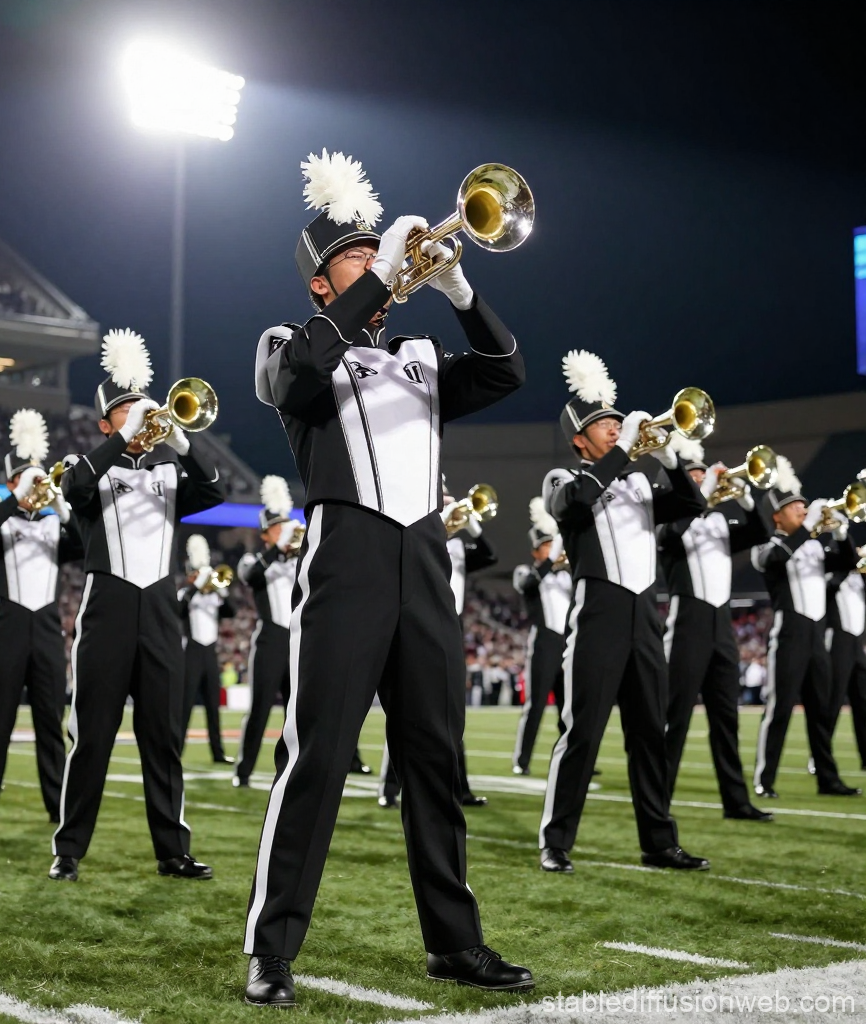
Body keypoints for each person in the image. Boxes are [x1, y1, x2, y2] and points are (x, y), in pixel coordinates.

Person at [243, 150, 531, 1007]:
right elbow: (291, 382)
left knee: (435, 761)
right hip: (347, 558)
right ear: (321, 284)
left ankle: (454, 943)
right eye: (356, 256)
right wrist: (384, 278)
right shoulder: (291, 345)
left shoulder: (418, 352)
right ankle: (272, 947)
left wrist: (456, 293)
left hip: (425, 561)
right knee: (319, 755)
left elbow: (508, 369)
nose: (376, 261)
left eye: (378, 250)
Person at [48, 328, 225, 883]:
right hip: (107, 610)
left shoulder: (170, 474)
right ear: (105, 421)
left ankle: (172, 850)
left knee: (163, 739)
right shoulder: (88, 465)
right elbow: (73, 490)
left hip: (160, 610)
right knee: (92, 736)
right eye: (123, 411)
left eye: (140, 409)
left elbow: (216, 489)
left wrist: (179, 438)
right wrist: (121, 439)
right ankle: (69, 850)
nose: (137, 416)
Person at [538, 350, 709, 874]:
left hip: (646, 613)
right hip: (599, 613)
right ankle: (555, 841)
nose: (614, 429)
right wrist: (627, 451)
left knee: (648, 733)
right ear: (578, 439)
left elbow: (693, 506)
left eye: (616, 422)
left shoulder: (638, 482)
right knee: (582, 730)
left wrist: (671, 459)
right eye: (603, 425)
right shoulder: (562, 478)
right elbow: (576, 504)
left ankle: (658, 842)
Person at [0, 410, 81, 826]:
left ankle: (57, 805)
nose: (36, 484)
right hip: (10, 624)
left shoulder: (53, 525)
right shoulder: (2, 520)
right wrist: (16, 497)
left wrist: (60, 502)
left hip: (49, 627)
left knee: (50, 722)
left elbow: (85, 546)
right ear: (11, 482)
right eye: (26, 477)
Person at [657, 439, 771, 821]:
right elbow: (673, 537)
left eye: (703, 475)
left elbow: (759, 532)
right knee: (676, 718)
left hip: (721, 624)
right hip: (687, 622)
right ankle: (659, 801)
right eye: (693, 476)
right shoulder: (667, 523)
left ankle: (736, 801)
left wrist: (746, 497)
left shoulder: (719, 521)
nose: (703, 479)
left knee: (727, 718)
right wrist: (702, 493)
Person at [378, 485, 494, 808]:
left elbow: (489, 555)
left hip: (450, 622)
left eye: (446, 496)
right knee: (405, 704)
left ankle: (461, 788)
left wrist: (470, 523)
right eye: (439, 496)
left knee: (453, 708)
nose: (446, 501)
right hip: (417, 619)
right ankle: (389, 788)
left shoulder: (456, 542)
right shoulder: (413, 531)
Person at [751, 459, 860, 798]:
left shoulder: (812, 545)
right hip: (789, 635)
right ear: (777, 517)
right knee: (780, 708)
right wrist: (808, 525)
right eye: (794, 507)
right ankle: (764, 779)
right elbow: (777, 559)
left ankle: (828, 779)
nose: (802, 509)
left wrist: (841, 533)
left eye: (802, 505)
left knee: (821, 708)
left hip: (816, 635)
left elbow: (847, 563)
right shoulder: (767, 547)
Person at [233, 476, 300, 788]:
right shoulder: (254, 559)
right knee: (259, 708)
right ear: (265, 534)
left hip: (297, 640)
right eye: (277, 527)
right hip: (271, 638)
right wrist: (277, 549)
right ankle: (243, 771)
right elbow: (251, 575)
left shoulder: (299, 560)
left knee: (295, 711)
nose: (284, 531)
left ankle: (287, 770)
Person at [511, 499, 571, 776]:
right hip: (544, 642)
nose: (553, 550)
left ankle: (570, 757)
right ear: (537, 550)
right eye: (547, 545)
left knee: (567, 708)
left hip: (567, 642)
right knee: (535, 705)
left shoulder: (565, 575)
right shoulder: (527, 571)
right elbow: (527, 584)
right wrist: (550, 561)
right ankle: (522, 760)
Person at [179, 533, 235, 764]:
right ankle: (177, 750)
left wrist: (219, 590)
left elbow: (230, 612)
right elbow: (178, 609)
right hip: (191, 651)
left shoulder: (214, 596)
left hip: (210, 652)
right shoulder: (185, 594)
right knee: (185, 706)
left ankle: (218, 753)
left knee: (214, 706)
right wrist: (196, 586)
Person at [826, 548, 866, 770]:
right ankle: (820, 758)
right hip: (837, 641)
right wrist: (846, 565)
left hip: (857, 643)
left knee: (863, 704)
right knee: (832, 702)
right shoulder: (832, 573)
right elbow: (828, 589)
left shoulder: (859, 578)